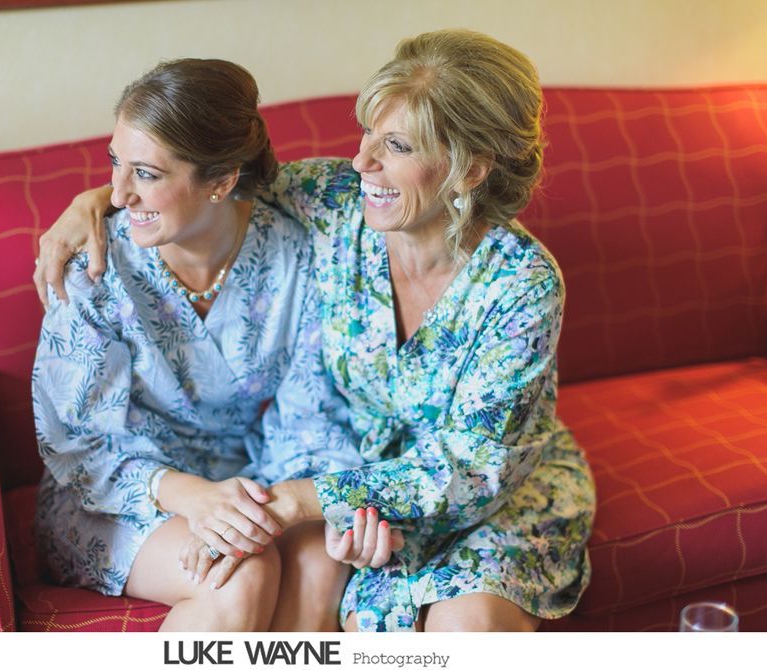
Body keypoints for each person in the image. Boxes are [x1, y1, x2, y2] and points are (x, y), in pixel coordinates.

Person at [35, 29, 595, 632]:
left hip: (474, 490)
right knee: (336, 605)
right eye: (367, 135)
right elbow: (207, 188)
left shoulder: (521, 284)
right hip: (352, 481)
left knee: (468, 631)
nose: (362, 162)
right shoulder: (333, 201)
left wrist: (305, 501)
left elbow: (472, 467)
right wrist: (96, 202)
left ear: (470, 171)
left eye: (397, 146)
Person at [31, 58, 404, 633]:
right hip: (115, 494)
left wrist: (268, 506)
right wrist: (194, 499)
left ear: (223, 181)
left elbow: (310, 411)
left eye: (147, 174)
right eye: (114, 163)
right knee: (242, 573)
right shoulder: (93, 267)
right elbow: (77, 443)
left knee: (319, 561)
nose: (118, 193)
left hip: (252, 477)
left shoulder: (294, 251)